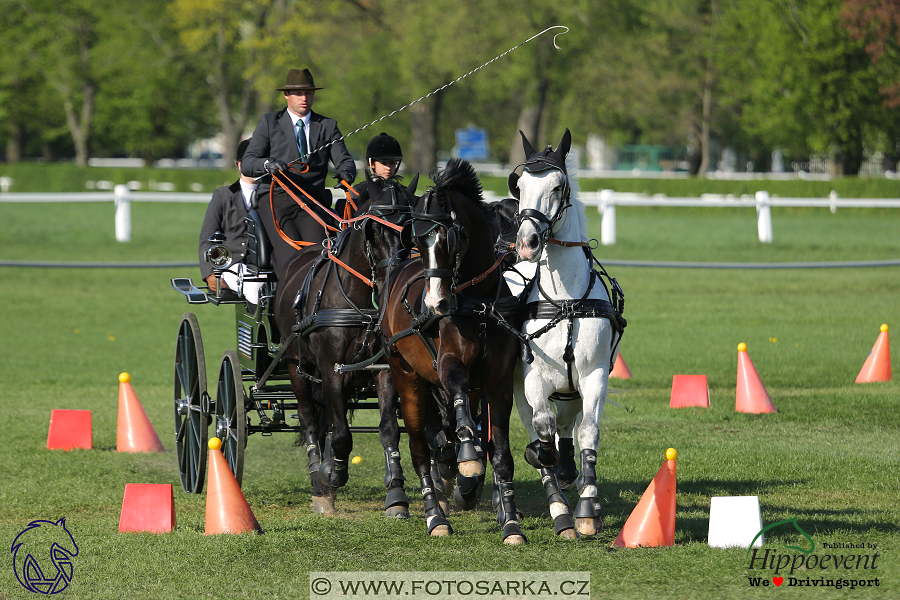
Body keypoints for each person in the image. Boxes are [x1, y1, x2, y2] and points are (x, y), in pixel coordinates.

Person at [241, 68, 356, 274]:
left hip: (313, 202)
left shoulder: (328, 126)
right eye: (298, 94)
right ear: (287, 95)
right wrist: (268, 164)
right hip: (276, 201)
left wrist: (346, 172)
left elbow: (344, 159)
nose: (304, 98)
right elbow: (249, 162)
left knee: (320, 257)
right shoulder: (269, 123)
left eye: (309, 93)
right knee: (292, 259)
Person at [198, 138, 264, 304]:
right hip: (233, 264)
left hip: (267, 265)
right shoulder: (223, 196)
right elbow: (207, 237)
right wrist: (208, 273)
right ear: (240, 165)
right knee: (255, 289)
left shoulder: (273, 194)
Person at [335, 132, 403, 219]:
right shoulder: (357, 192)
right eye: (383, 163)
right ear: (371, 164)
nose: (388, 168)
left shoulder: (402, 192)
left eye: (392, 163)